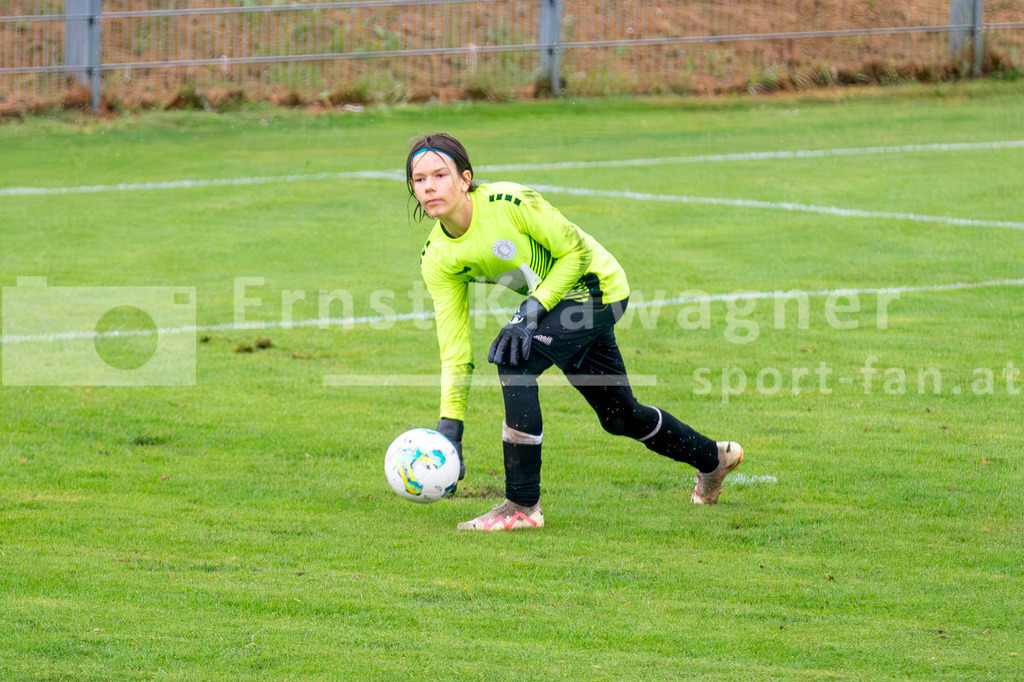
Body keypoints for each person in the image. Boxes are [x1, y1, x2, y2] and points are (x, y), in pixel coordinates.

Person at [406, 133, 744, 531]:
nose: (429, 186)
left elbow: (577, 252)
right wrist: (451, 429)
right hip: (560, 303)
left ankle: (522, 506)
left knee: (517, 360)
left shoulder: (511, 203)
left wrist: (531, 309)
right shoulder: (437, 258)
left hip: (598, 287)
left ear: (465, 179)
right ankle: (714, 459)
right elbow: (454, 349)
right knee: (620, 417)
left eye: (440, 175)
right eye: (418, 179)